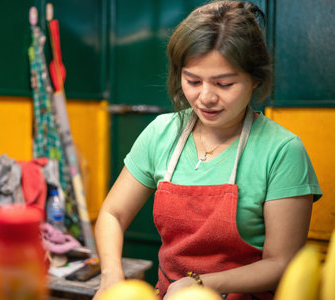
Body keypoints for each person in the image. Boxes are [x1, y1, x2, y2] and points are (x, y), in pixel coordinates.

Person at [93, 1, 322, 300]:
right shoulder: (161, 133)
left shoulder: (282, 152)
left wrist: (203, 284)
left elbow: (281, 262)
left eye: (224, 83)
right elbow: (112, 213)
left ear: (255, 79)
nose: (205, 97)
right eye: (192, 81)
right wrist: (111, 274)